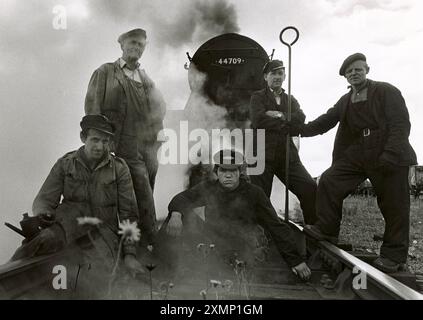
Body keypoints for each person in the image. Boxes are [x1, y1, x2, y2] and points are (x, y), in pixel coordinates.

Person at [289, 53, 417, 273]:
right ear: (345, 77)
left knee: (394, 204)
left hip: (388, 149)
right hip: (360, 150)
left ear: (367, 69)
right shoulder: (346, 100)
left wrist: (390, 153)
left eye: (357, 69)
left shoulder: (386, 91)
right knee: (330, 179)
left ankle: (394, 256)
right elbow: (324, 122)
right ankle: (327, 228)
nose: (353, 73)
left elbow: (400, 124)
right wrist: (297, 129)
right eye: (349, 72)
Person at [11, 115, 144, 296]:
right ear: (83, 138)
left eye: (105, 141)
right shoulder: (66, 164)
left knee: (98, 282)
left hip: (102, 235)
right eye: (95, 140)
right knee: (33, 248)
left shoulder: (119, 169)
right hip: (67, 228)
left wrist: (129, 254)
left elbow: (129, 215)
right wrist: (45, 217)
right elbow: (43, 201)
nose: (100, 146)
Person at [164, 149, 312, 281]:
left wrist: (295, 260)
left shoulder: (254, 193)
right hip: (213, 244)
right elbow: (182, 198)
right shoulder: (209, 188)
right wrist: (176, 215)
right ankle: (161, 268)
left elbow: (276, 226)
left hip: (241, 248)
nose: (228, 175)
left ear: (240, 172)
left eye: (233, 171)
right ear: (217, 172)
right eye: (223, 170)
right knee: (175, 215)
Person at [84, 28, 166, 245]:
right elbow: (92, 110)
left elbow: (159, 108)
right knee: (136, 194)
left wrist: (157, 134)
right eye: (132, 42)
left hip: (147, 145)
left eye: (140, 45)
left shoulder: (145, 78)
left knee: (144, 191)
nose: (136, 47)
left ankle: (139, 246)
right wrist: (100, 143)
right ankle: (146, 243)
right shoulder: (105, 72)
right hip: (120, 143)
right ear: (121, 45)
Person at [249, 59, 317, 225]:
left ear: (285, 76)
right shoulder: (257, 97)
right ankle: (260, 234)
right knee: (260, 198)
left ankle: (313, 229)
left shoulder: (290, 99)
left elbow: (300, 119)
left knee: (309, 188)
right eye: (273, 73)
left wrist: (279, 116)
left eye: (280, 73)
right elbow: (258, 120)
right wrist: (287, 123)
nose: (277, 77)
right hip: (262, 155)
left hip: (287, 155)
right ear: (266, 76)